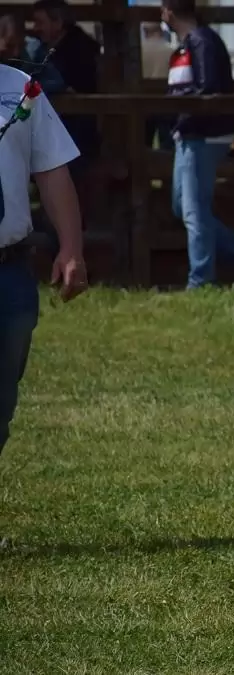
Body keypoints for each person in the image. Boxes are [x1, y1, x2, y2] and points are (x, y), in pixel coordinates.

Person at [0, 61, 87, 456]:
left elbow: (51, 168)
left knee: (2, 401)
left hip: (9, 269)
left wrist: (71, 248)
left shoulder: (22, 87)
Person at [161, 0, 234, 290]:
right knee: (183, 207)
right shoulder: (188, 44)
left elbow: (208, 88)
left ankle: (200, 279)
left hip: (203, 133)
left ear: (168, 12)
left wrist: (180, 117)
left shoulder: (201, 41)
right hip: (189, 134)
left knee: (194, 210)